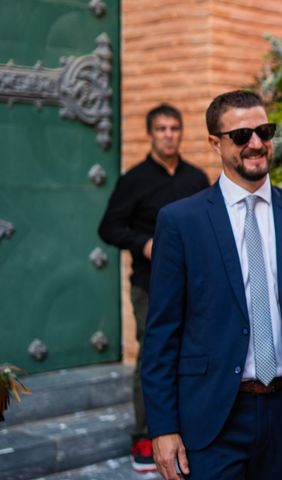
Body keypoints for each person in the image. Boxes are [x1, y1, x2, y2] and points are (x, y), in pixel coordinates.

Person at [140, 90, 282, 480]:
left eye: (264, 131)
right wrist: (164, 427)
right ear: (214, 143)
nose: (256, 144)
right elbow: (161, 334)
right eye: (241, 135)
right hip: (212, 414)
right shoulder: (181, 222)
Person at [98, 103, 209, 472]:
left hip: (194, 285)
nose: (168, 135)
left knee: (192, 352)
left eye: (174, 129)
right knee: (153, 355)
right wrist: (143, 243)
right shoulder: (134, 179)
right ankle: (145, 437)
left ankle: (186, 429)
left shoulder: (195, 178)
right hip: (149, 285)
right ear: (150, 134)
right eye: (161, 129)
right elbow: (108, 228)